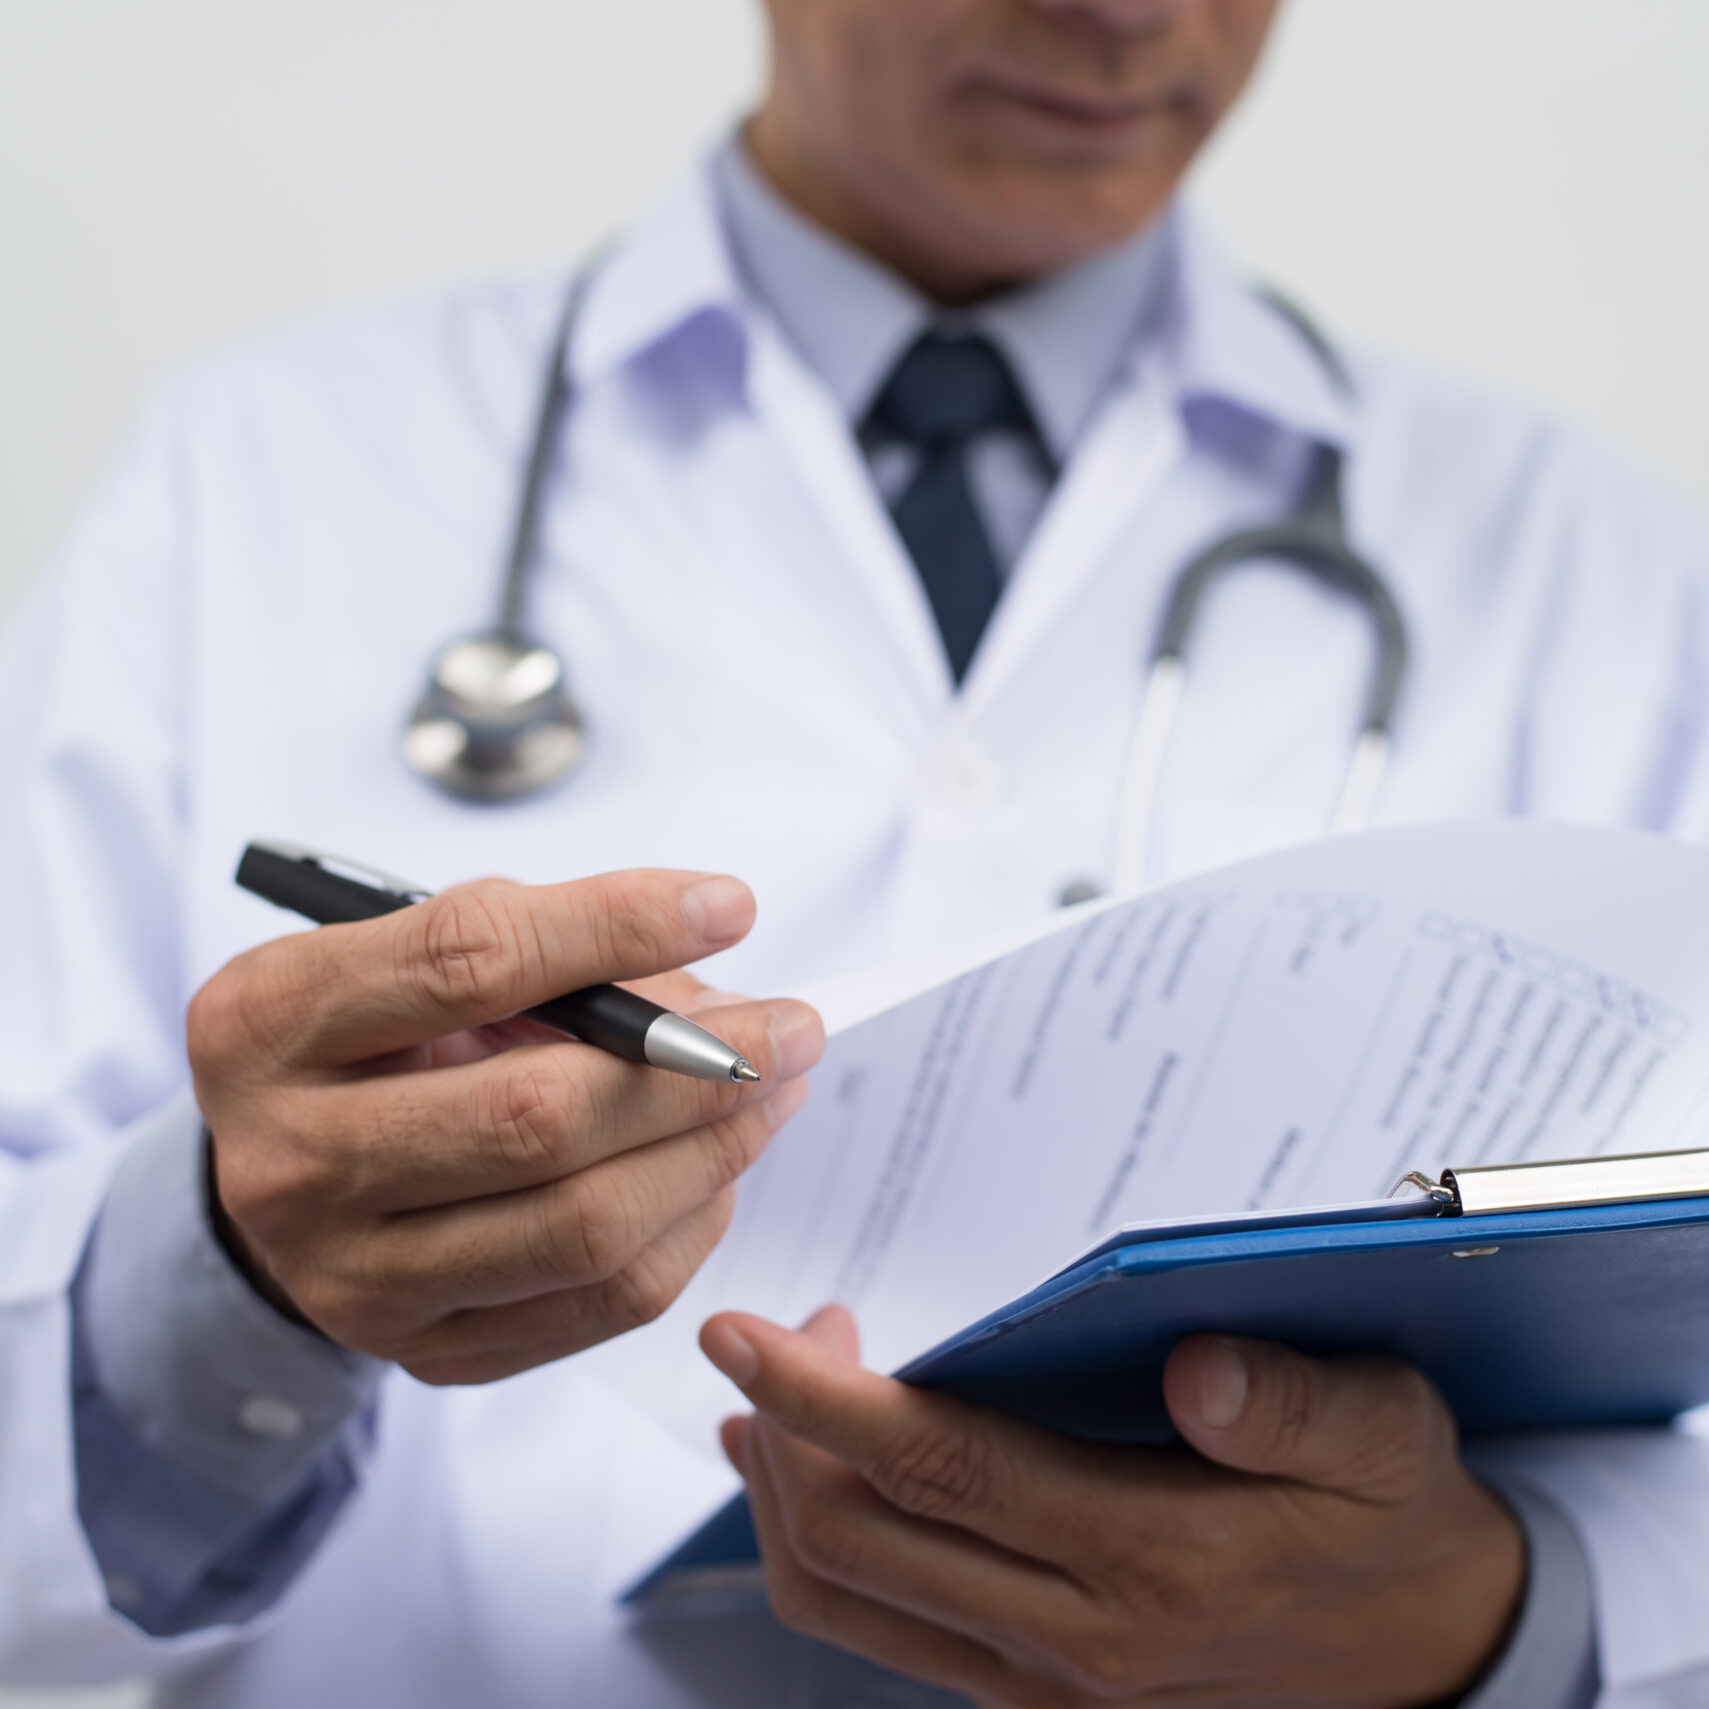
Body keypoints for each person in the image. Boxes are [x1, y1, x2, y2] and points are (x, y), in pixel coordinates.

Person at [2, 0, 1707, 1703]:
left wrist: (1492, 1615)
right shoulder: (256, 484)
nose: (1128, 16)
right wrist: (229, 1274)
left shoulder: (1584, 567)